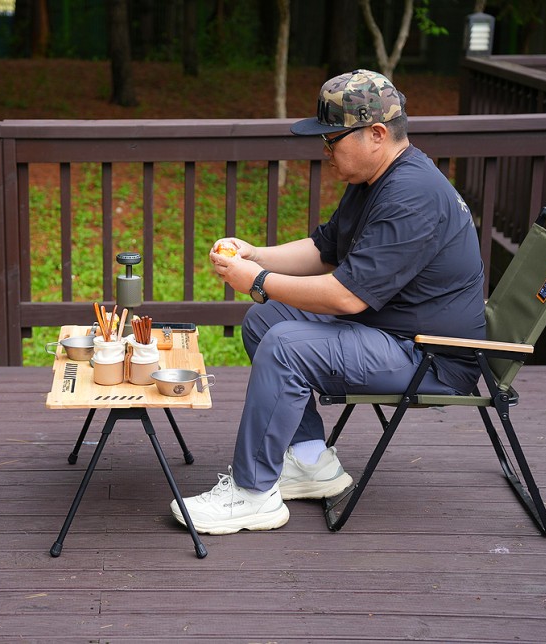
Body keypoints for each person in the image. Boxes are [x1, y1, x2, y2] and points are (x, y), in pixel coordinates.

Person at [171, 69, 486, 535]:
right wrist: (257, 254)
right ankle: (310, 460)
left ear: (376, 134)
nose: (324, 150)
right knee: (265, 319)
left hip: (428, 354)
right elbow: (324, 250)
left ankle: (252, 494)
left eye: (333, 138)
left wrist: (257, 278)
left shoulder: (412, 195)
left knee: (286, 344)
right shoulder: (374, 181)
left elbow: (347, 296)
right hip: (392, 332)